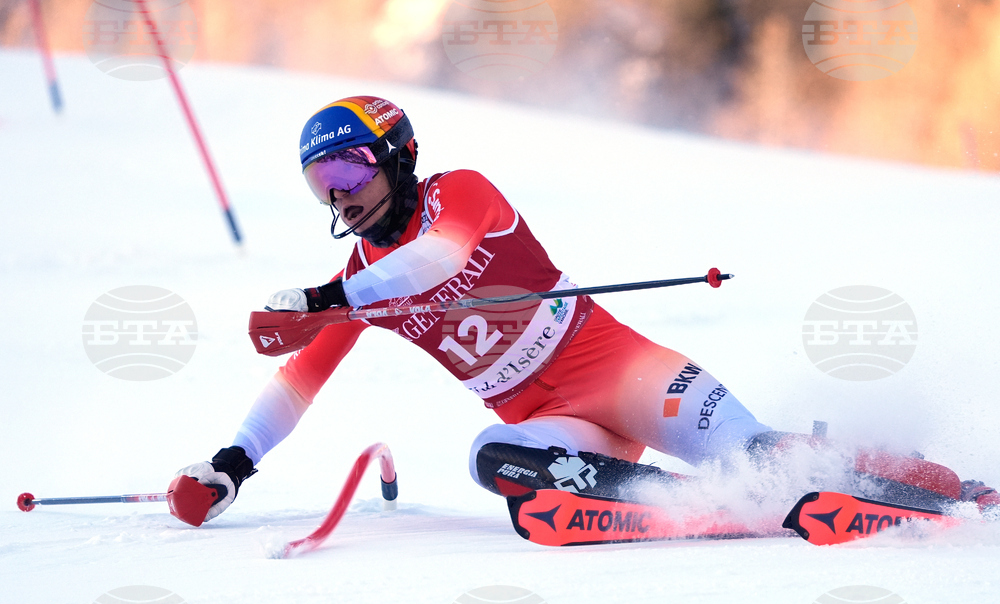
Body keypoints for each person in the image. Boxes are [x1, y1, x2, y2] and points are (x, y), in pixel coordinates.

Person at [174, 96, 997, 523]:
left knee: (758, 454)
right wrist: (230, 466)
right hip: (553, 422)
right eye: (322, 187)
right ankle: (659, 498)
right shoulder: (358, 277)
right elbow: (297, 382)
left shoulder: (456, 196)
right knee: (491, 456)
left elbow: (440, 259)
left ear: (397, 154)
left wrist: (325, 298)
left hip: (617, 367)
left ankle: (946, 488)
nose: (341, 198)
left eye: (349, 173)